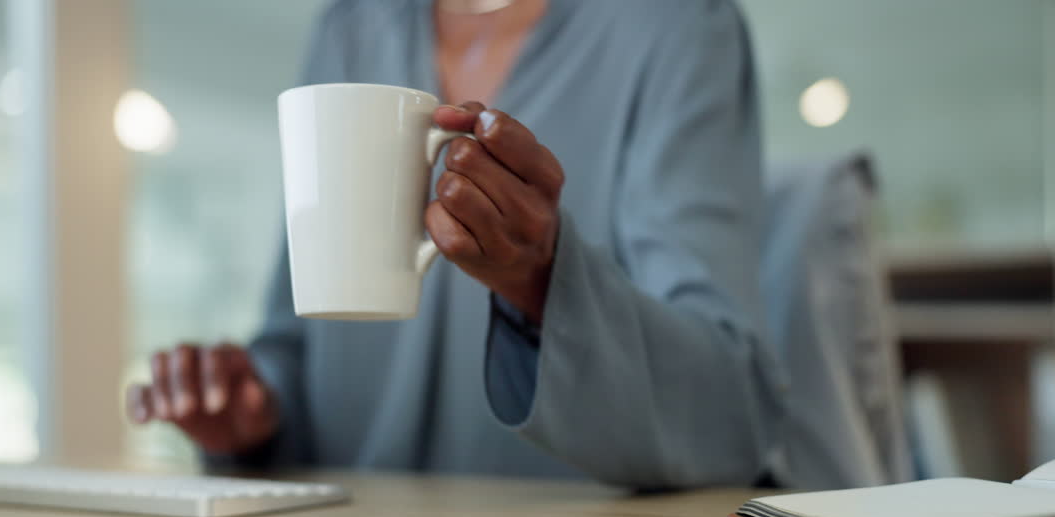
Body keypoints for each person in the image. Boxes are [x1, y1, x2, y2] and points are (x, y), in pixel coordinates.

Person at [126, 0, 785, 489]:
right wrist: (257, 415)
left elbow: (730, 415)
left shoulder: (677, 27)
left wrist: (544, 284)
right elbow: (299, 347)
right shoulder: (350, 27)